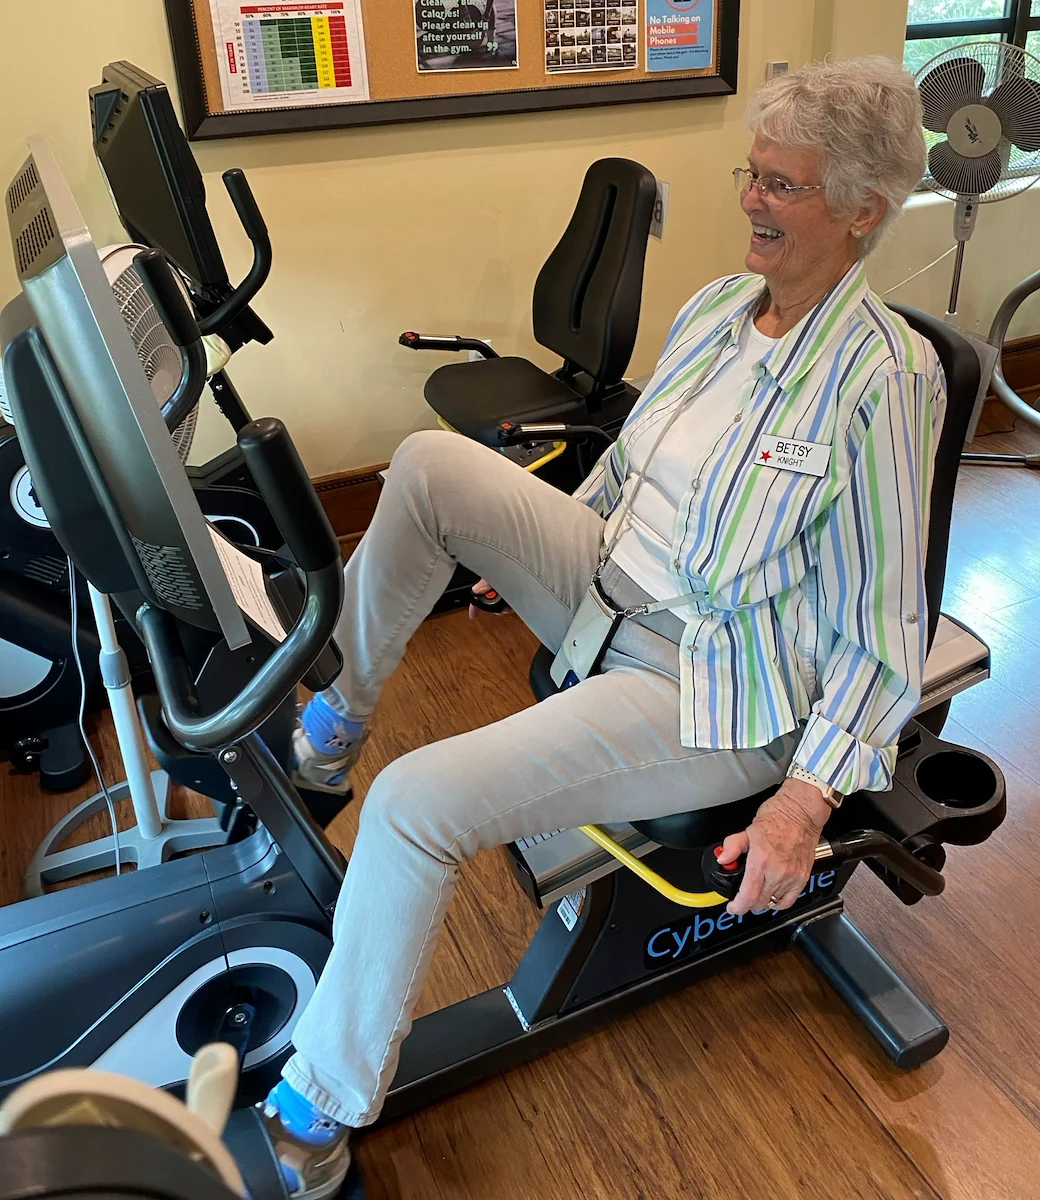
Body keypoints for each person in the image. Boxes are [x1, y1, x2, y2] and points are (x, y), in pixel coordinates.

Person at [261, 54, 941, 1197]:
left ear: (862, 212)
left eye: (783, 186)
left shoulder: (883, 379)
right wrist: (529, 542)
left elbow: (885, 624)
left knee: (419, 805)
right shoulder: (720, 308)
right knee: (429, 465)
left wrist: (803, 798)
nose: (751, 201)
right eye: (753, 173)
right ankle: (336, 719)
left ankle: (322, 1102)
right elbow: (623, 476)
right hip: (608, 584)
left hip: (711, 681)